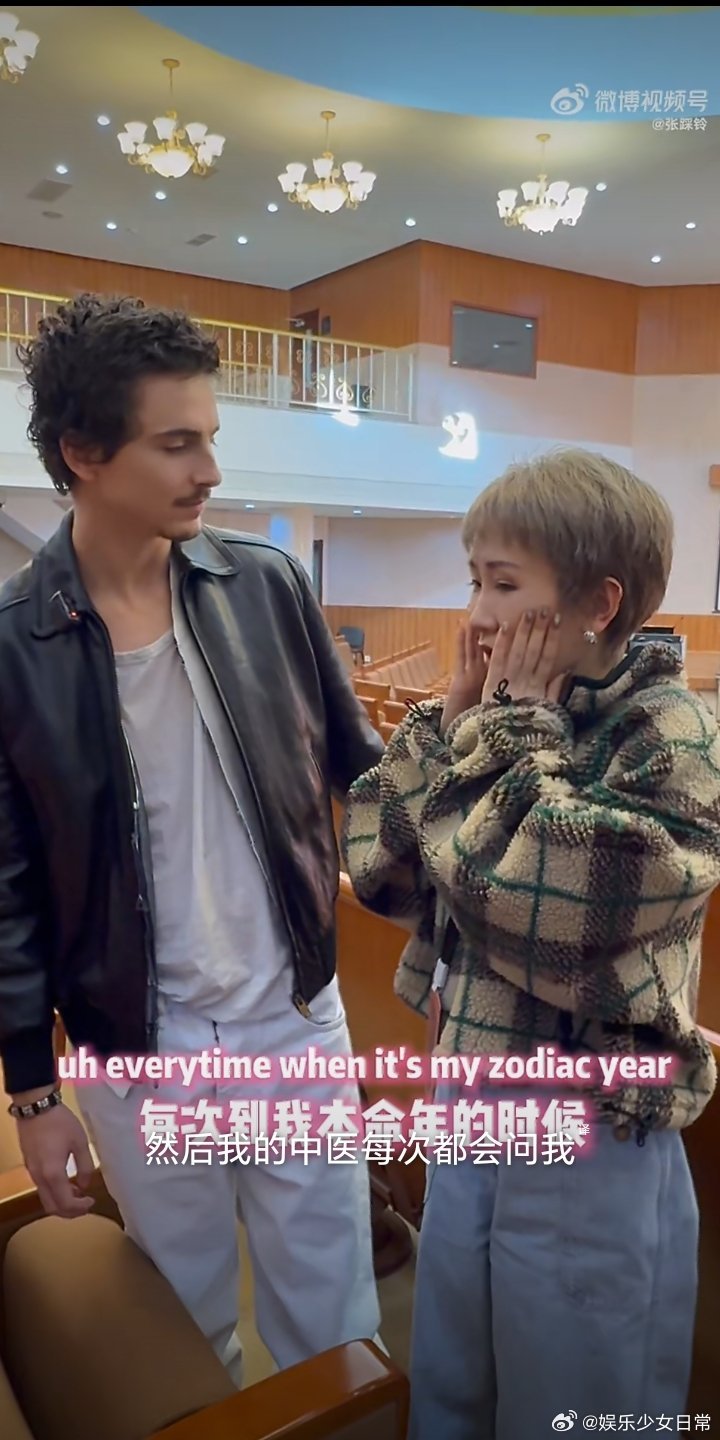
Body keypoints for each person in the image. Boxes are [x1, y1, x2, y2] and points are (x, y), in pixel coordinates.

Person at [0, 292, 383, 1383]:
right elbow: (9, 893)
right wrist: (34, 1093)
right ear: (84, 453)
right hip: (140, 1049)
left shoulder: (266, 587)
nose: (209, 469)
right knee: (186, 1322)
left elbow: (362, 774)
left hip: (293, 1021)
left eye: (209, 437)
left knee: (337, 1318)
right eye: (177, 444)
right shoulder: (14, 646)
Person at [341, 447, 720, 1438]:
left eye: (503, 585)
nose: (476, 614)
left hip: (589, 1124)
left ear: (598, 602)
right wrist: (451, 722)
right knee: (454, 1375)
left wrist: (507, 733)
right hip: (474, 1095)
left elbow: (528, 899)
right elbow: (377, 866)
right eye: (473, 580)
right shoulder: (499, 717)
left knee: (575, 1395)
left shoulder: (671, 736)